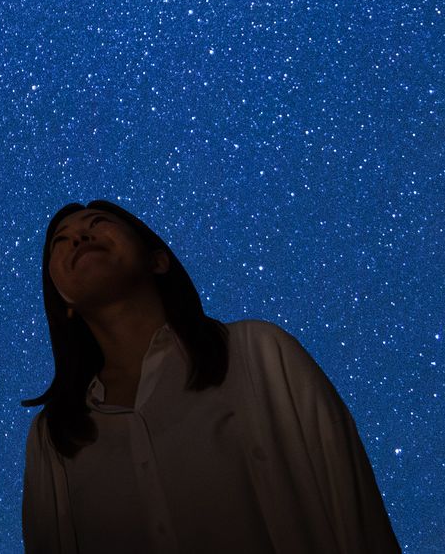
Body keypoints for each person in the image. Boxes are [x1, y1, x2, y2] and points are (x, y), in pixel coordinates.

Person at [21, 201, 401, 553]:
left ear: (158, 260)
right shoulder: (54, 437)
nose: (79, 238)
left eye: (99, 223)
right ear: (62, 301)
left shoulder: (260, 354)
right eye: (61, 240)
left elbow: (353, 512)